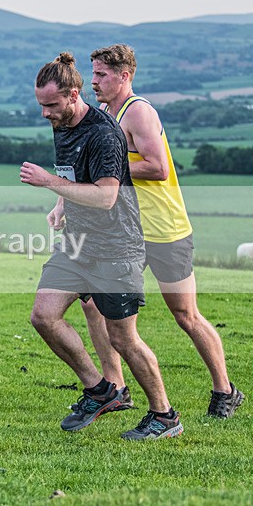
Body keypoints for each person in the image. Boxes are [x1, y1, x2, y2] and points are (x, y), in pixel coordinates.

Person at [20, 53, 182, 440]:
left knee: (123, 338)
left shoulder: (103, 134)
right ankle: (101, 389)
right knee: (43, 316)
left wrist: (48, 183)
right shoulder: (63, 123)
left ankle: (164, 416)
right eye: (41, 105)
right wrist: (61, 204)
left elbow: (107, 196)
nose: (45, 113)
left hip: (115, 249)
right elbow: (77, 176)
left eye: (51, 105)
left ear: (73, 95)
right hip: (77, 244)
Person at [82, 43, 244, 418]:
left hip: (165, 231)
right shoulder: (104, 114)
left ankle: (225, 390)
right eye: (93, 74)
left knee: (185, 315)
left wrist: (107, 167)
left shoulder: (138, 112)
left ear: (124, 76)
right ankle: (115, 388)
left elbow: (158, 167)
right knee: (94, 304)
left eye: (101, 75)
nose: (94, 82)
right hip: (126, 234)